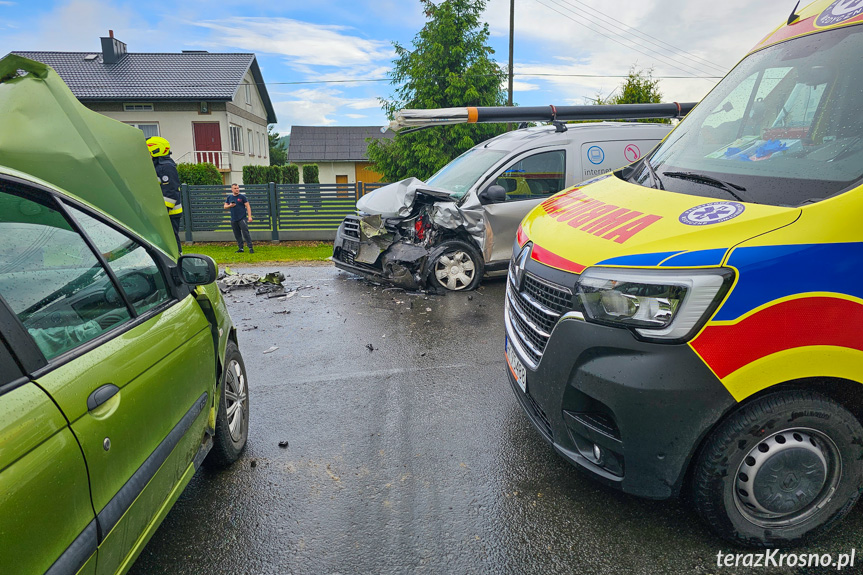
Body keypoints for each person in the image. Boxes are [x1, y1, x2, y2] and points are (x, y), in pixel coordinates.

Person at [146, 136, 183, 254]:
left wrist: (163, 210)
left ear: (156, 150)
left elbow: (171, 190)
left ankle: (177, 260)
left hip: (170, 213)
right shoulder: (158, 166)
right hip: (164, 212)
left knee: (171, 238)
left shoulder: (166, 166)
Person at [224, 183, 254, 253]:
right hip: (234, 219)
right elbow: (225, 206)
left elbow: (248, 206)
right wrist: (230, 206)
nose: (237, 189)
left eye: (238, 188)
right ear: (232, 189)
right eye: (235, 188)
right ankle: (241, 248)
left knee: (245, 233)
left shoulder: (242, 197)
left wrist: (249, 216)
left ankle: (250, 247)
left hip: (242, 218)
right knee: (237, 234)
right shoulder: (229, 197)